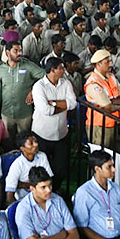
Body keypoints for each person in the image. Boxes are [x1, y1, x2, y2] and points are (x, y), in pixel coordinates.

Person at [73, 150, 120, 239]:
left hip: (119, 238)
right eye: (109, 167)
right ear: (97, 169)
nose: (114, 170)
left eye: (113, 166)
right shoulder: (84, 192)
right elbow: (82, 227)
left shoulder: (115, 188)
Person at [32, 57, 76, 186]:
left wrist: (54, 103)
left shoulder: (66, 83)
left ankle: (55, 189)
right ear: (53, 70)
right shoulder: (39, 86)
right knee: (42, 167)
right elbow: (45, 110)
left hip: (61, 134)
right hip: (42, 134)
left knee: (60, 167)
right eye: (61, 68)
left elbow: (73, 104)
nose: (63, 70)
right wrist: (63, 107)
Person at [0, 41, 44, 139]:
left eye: (20, 50)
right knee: (8, 140)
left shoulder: (28, 66)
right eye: (15, 51)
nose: (19, 53)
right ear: (7, 53)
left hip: (24, 113)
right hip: (6, 113)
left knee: (24, 140)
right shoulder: (1, 70)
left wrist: (33, 91)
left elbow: (45, 76)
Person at [83, 49, 120, 151]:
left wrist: (111, 102)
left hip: (113, 122)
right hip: (100, 126)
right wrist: (114, 103)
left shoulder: (111, 76)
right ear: (98, 64)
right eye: (108, 62)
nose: (111, 64)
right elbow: (107, 108)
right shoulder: (93, 83)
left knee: (112, 154)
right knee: (100, 157)